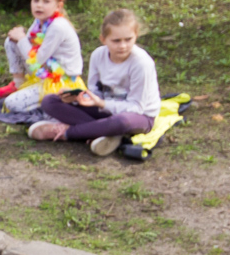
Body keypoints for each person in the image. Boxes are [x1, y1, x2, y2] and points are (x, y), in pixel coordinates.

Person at [29, 8, 161, 157]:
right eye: (116, 40)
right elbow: (95, 91)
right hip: (104, 109)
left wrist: (101, 104)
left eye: (128, 39)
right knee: (50, 101)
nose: (123, 45)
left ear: (135, 36)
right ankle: (103, 133)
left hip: (139, 116)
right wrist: (76, 95)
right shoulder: (98, 55)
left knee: (121, 122)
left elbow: (136, 107)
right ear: (103, 39)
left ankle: (69, 132)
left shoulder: (141, 63)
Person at [0, 0, 83, 113]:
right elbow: (28, 48)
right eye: (36, 0)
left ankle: (50, 104)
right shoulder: (39, 20)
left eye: (46, 1)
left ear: (58, 6)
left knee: (11, 104)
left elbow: (38, 59)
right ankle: (18, 84)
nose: (39, 5)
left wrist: (21, 38)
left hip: (59, 80)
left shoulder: (58, 26)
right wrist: (20, 38)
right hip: (43, 71)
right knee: (11, 41)